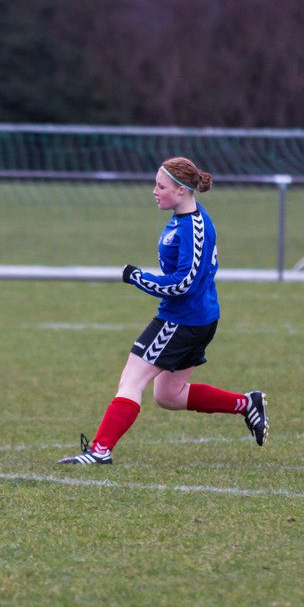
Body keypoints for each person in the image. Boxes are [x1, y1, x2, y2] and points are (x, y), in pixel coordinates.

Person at [57, 156, 267, 464]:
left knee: (132, 380)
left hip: (184, 318)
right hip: (194, 317)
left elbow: (184, 284)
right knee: (168, 395)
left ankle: (100, 450)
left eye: (161, 186)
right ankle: (245, 404)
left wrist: (138, 277)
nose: (154, 191)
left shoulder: (194, 227)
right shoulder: (182, 218)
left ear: (181, 190)